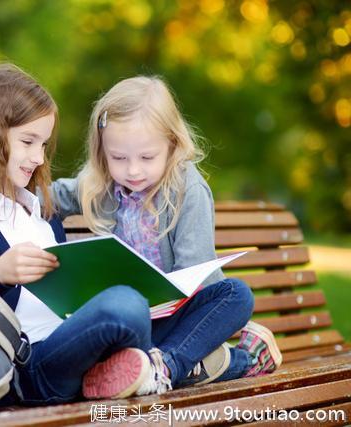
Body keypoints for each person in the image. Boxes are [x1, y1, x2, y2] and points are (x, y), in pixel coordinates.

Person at [0, 63, 172, 405]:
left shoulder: (43, 211)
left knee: (228, 293)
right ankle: (174, 368)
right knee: (126, 302)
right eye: (28, 141)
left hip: (79, 348)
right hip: (31, 369)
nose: (38, 157)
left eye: (43, 144)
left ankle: (161, 369)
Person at [46, 75, 283, 398]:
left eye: (146, 158)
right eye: (118, 158)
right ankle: (232, 360)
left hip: (175, 315)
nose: (132, 171)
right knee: (111, 339)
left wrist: (177, 307)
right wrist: (8, 191)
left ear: (172, 145)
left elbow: (198, 276)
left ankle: (165, 368)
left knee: (237, 295)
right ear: (102, 151)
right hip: (129, 323)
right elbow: (54, 196)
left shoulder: (188, 189)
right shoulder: (100, 186)